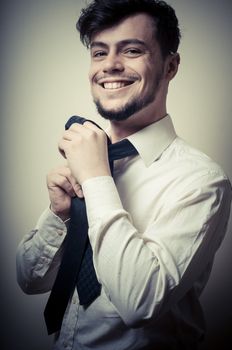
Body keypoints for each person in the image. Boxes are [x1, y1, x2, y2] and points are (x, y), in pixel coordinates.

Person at [16, 0, 231, 349]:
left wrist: (98, 180)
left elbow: (140, 304)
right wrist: (60, 214)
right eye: (99, 53)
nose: (110, 66)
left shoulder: (203, 181)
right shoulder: (87, 160)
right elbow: (29, 280)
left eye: (132, 50)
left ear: (170, 66)